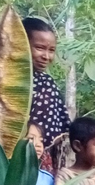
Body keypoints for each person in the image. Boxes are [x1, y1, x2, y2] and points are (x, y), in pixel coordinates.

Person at [23, 17, 69, 164]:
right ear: (21, 44)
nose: (46, 57)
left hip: (34, 163)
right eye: (40, 48)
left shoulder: (46, 84)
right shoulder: (0, 78)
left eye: (51, 50)